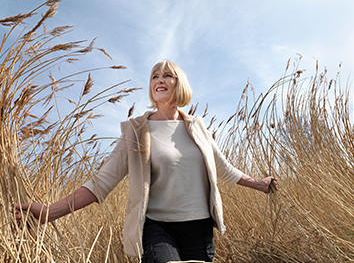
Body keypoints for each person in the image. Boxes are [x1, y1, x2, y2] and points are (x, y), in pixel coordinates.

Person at [13, 60, 277, 263]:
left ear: (179, 83)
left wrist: (260, 184)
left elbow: (223, 167)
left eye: (167, 75)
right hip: (157, 227)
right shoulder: (136, 131)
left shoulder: (197, 126)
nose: (159, 80)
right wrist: (50, 211)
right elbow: (102, 181)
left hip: (199, 227)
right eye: (154, 76)